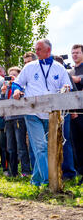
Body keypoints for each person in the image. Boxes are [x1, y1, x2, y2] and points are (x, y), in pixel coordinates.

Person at [12, 39, 73, 186]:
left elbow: (68, 87)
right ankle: (48, 182)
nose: (36, 52)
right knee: (40, 146)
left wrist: (66, 87)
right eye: (36, 49)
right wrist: (17, 90)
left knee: (48, 147)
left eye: (39, 49)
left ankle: (36, 180)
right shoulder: (29, 67)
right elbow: (17, 83)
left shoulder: (59, 68)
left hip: (52, 114)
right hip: (32, 112)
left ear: (48, 51)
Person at [0, 67, 31, 177]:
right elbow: (1, 104)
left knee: (21, 146)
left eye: (14, 75)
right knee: (10, 147)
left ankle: (26, 171)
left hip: (19, 118)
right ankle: (13, 172)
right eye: (9, 76)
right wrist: (3, 92)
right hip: (8, 119)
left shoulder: (22, 87)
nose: (11, 78)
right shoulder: (6, 88)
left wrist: (16, 87)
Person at [69, 44, 83, 184]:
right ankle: (80, 172)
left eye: (77, 52)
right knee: (77, 144)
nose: (74, 55)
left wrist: (79, 80)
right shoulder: (70, 72)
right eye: (73, 53)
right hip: (74, 113)